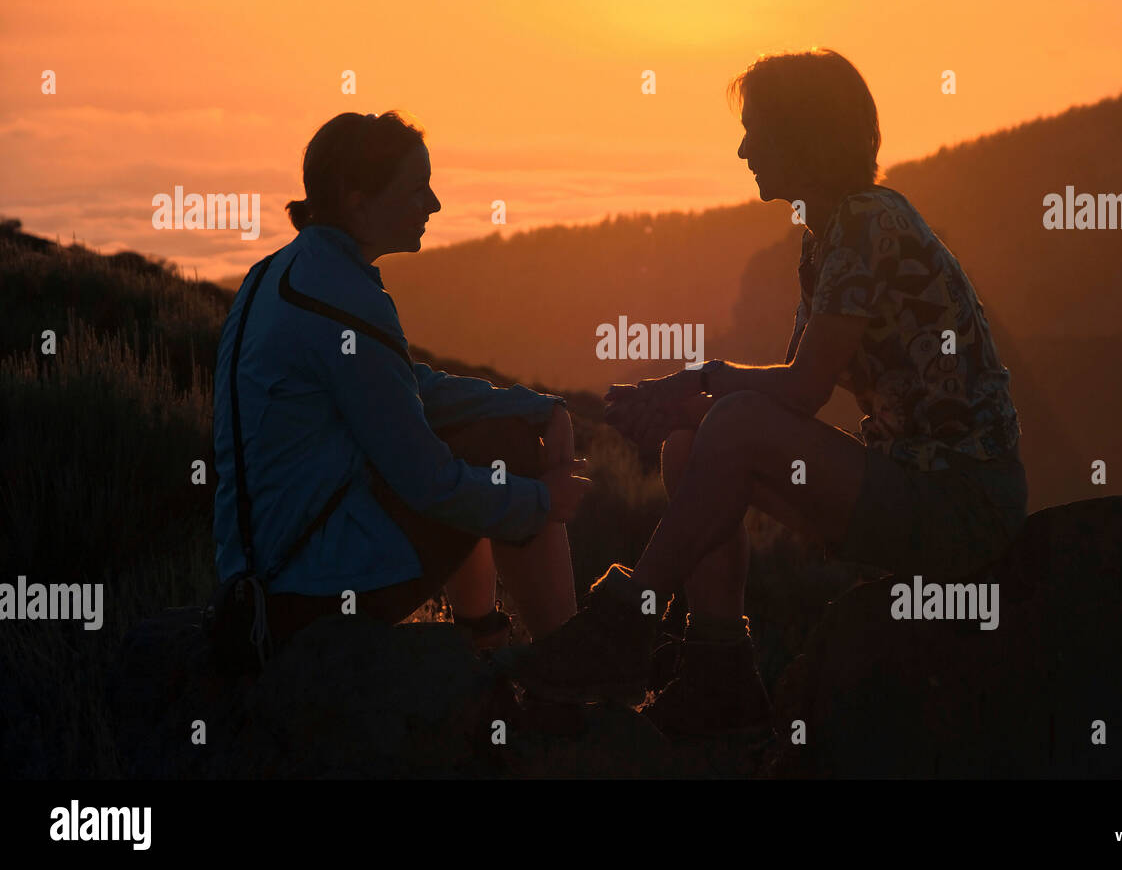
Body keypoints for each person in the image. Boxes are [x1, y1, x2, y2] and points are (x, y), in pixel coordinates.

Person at [515, 49, 1028, 737]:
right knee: (690, 444)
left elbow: (800, 391)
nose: (743, 148)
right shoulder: (825, 241)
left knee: (720, 428)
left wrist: (694, 378)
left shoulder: (868, 222)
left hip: (958, 498)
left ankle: (625, 626)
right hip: (909, 486)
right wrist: (683, 408)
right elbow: (774, 410)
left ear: (805, 134)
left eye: (757, 129)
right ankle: (719, 672)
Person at [212, 111, 591, 658]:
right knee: (505, 451)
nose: (433, 205)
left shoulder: (277, 274)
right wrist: (543, 500)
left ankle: (483, 638)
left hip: (263, 581)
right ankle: (567, 664)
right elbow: (429, 484)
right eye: (417, 189)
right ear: (355, 196)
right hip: (310, 594)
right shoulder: (344, 301)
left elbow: (404, 386)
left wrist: (535, 406)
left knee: (496, 435)